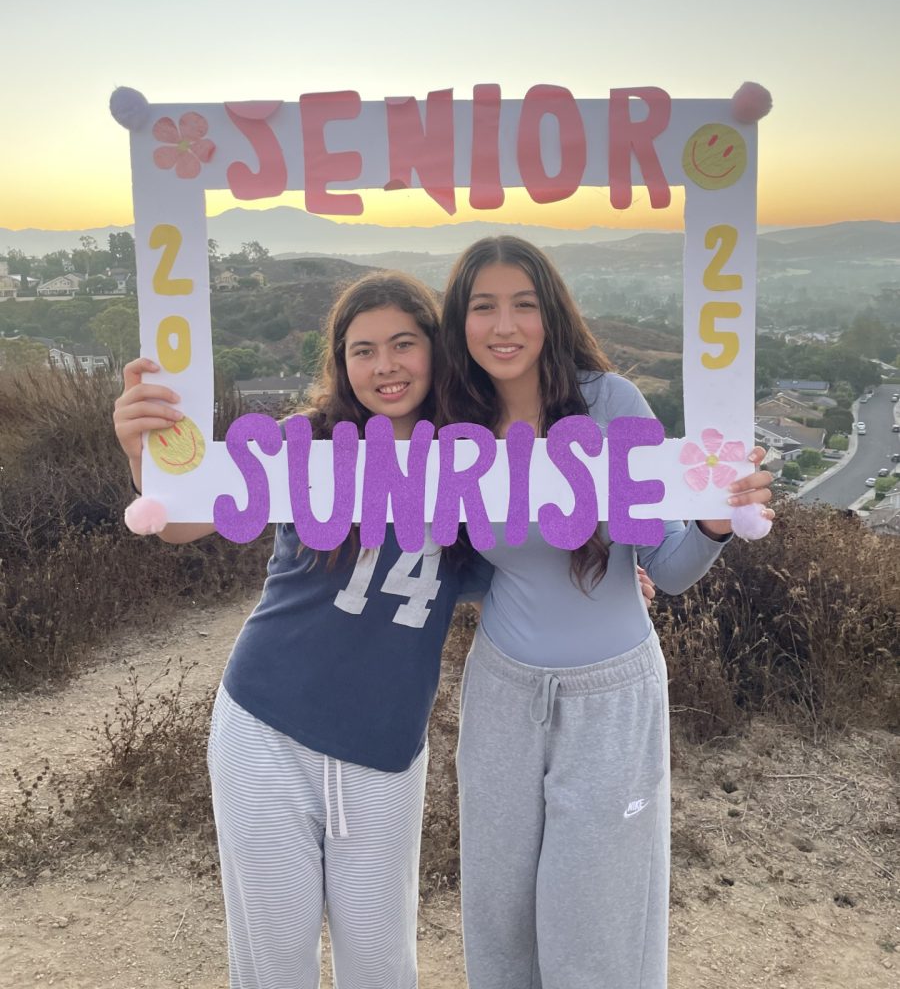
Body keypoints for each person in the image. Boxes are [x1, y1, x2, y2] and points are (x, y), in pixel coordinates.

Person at [113, 270, 496, 989]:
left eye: (404, 344)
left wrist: (608, 574)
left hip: (384, 749)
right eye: (363, 350)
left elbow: (526, 562)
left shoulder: (475, 460)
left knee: (381, 965)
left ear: (437, 351)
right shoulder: (308, 443)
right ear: (341, 363)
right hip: (265, 726)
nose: (385, 365)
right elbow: (190, 520)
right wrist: (145, 457)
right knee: (272, 961)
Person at [436, 236, 774, 989]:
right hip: (501, 695)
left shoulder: (610, 404)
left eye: (524, 304)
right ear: (459, 322)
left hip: (611, 700)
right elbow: (459, 566)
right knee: (500, 916)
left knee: (598, 925)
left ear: (551, 315)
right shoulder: (453, 422)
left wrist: (717, 521)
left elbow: (673, 569)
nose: (504, 324)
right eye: (483, 305)